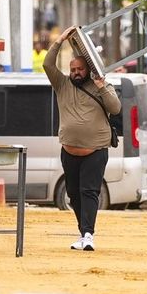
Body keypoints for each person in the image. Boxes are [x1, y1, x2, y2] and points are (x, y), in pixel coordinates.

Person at [42, 27, 120, 252]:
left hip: (95, 151)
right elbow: (48, 65)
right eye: (72, 69)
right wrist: (59, 41)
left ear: (88, 70)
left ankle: (88, 234)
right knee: (73, 194)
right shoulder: (62, 84)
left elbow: (115, 108)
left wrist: (101, 86)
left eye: (79, 69)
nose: (76, 72)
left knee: (89, 192)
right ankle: (82, 231)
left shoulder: (101, 86)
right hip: (69, 151)